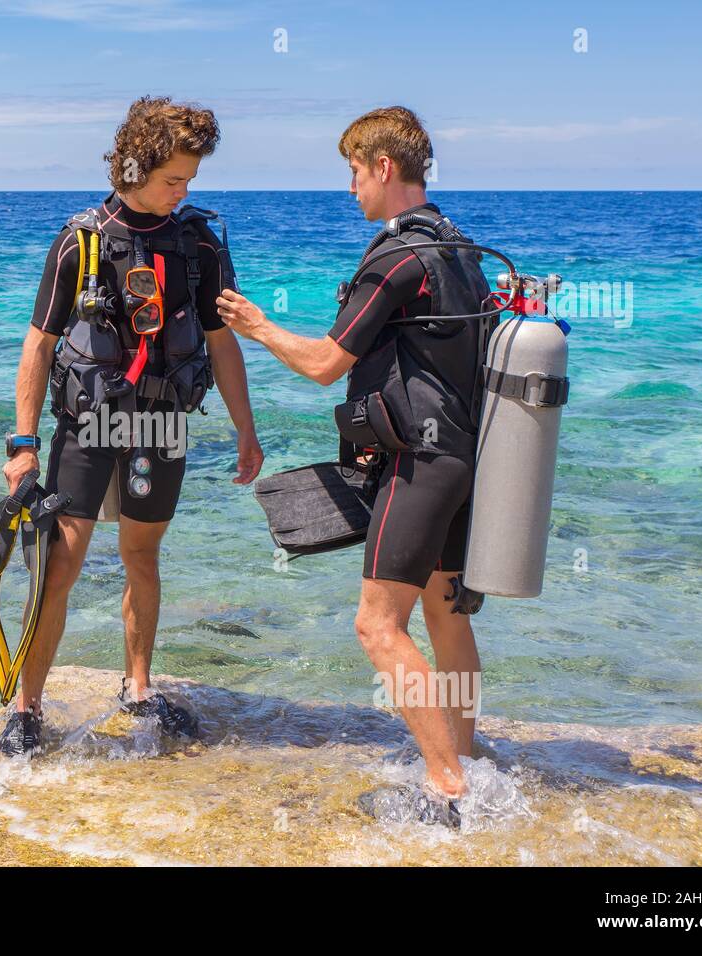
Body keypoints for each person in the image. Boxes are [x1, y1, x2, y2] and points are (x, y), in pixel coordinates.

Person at [216, 106, 488, 826]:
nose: (350, 188)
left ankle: (446, 786)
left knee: (377, 626)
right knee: (447, 611)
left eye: (353, 171)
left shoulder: (395, 257)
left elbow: (324, 363)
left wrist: (257, 325)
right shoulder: (462, 250)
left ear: (384, 168)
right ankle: (467, 756)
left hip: (418, 463)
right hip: (465, 459)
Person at [0, 96, 264, 756]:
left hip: (162, 428)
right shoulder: (81, 239)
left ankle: (138, 685)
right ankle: (26, 704)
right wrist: (23, 444)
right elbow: (38, 343)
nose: (182, 192)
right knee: (58, 564)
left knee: (142, 556)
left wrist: (245, 429)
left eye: (190, 182)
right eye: (174, 178)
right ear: (134, 166)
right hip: (86, 426)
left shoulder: (197, 242)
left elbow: (221, 342)